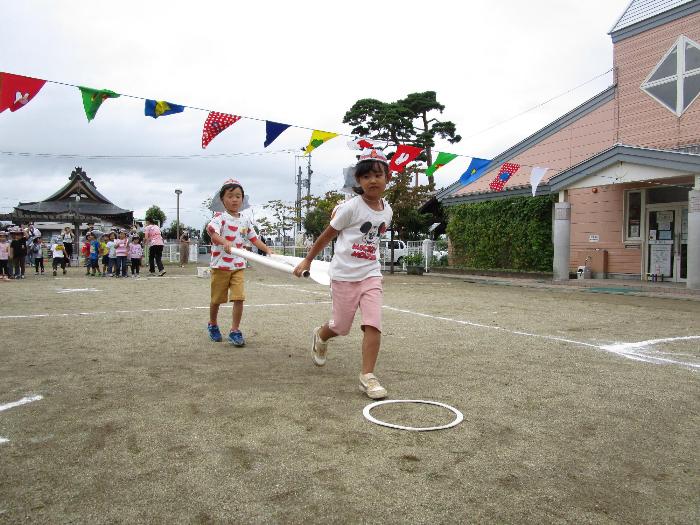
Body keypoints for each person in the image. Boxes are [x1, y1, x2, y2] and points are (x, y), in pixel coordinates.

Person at [293, 149, 393, 399]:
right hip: (344, 277)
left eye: (378, 175)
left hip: (371, 274)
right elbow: (327, 236)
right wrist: (307, 260)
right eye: (367, 176)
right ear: (358, 181)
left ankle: (367, 376)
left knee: (373, 323)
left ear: (387, 179)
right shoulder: (350, 208)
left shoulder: (388, 211)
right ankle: (321, 334)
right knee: (341, 327)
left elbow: (375, 240)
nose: (373, 180)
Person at [206, 179, 272, 346]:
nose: (235, 199)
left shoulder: (245, 220)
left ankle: (235, 330)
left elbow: (254, 239)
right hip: (220, 265)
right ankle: (212, 324)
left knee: (239, 298)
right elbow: (212, 233)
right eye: (230, 196)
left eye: (238, 196)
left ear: (242, 199)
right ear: (222, 199)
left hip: (238, 265)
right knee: (217, 299)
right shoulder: (220, 218)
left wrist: (268, 250)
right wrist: (224, 242)